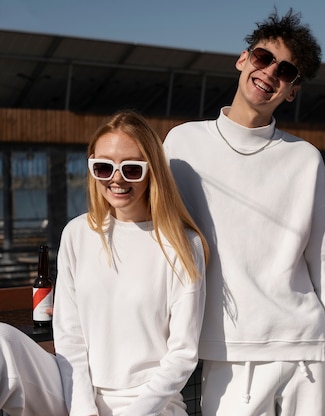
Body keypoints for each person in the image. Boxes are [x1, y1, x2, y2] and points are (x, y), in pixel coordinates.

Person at [163, 8, 325, 416]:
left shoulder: (304, 158)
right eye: (263, 58)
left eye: (285, 71)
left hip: (305, 349)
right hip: (228, 349)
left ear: (292, 90)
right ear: (242, 59)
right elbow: (159, 240)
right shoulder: (181, 145)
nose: (270, 72)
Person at [0, 110, 209, 416]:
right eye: (103, 167)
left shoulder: (182, 244)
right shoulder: (77, 233)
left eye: (132, 169)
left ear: (152, 171)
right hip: (74, 390)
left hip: (151, 403)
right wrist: (83, 409)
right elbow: (70, 337)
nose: (116, 178)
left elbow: (183, 354)